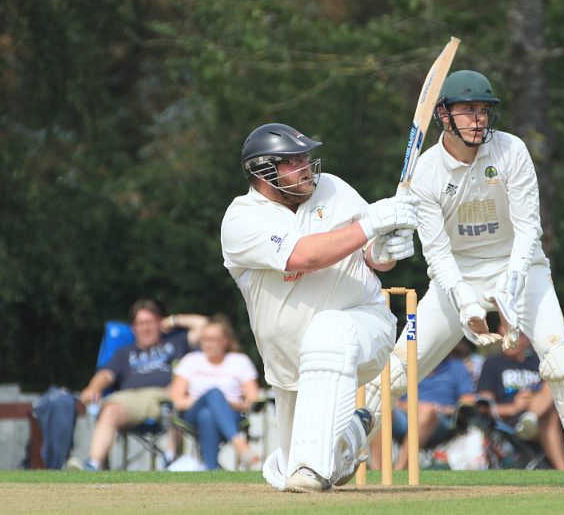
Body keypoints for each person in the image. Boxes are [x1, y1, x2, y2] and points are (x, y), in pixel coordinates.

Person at [363, 70, 564, 486]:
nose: (479, 119)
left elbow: (529, 229)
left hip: (523, 269)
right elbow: (438, 255)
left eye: (484, 110)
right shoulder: (426, 172)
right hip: (455, 278)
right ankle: (335, 451)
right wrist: (466, 302)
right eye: (468, 111)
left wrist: (509, 289)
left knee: (563, 356)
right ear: (444, 116)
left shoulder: (511, 151)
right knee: (394, 371)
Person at [220, 123, 419, 492]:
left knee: (329, 331)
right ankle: (349, 437)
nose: (305, 166)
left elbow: (370, 253)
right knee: (284, 470)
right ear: (263, 170)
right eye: (292, 161)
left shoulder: (333, 188)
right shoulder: (241, 219)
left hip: (364, 322)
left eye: (304, 158)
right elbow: (303, 256)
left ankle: (313, 467)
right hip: (288, 365)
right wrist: (375, 222)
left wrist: (384, 250)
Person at [75, 300, 207, 470]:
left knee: (175, 400)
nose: (145, 328)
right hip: (131, 400)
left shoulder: (176, 342)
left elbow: (207, 327)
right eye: (140, 323)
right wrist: (94, 388)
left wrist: (174, 320)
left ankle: (170, 458)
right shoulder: (124, 353)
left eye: (150, 322)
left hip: (166, 396)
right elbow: (105, 375)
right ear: (133, 328)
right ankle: (93, 464)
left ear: (160, 323)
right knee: (110, 410)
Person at [169, 315, 260, 470]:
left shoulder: (240, 361)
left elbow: (253, 400)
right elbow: (176, 400)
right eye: (204, 339)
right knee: (213, 393)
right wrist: (208, 398)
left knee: (207, 414)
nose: (208, 344)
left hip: (232, 414)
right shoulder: (190, 360)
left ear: (226, 341)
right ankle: (241, 447)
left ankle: (210, 469)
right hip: (192, 414)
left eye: (213, 339)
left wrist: (228, 404)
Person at [369, 350, 476, 471]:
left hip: (440, 420)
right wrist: (412, 406)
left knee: (427, 411)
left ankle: (402, 468)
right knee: (383, 408)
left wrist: (440, 409)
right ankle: (378, 470)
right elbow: (393, 396)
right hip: (405, 414)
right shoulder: (407, 366)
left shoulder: (456, 367)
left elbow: (468, 401)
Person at [477, 333, 564, 470]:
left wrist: (532, 397)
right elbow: (484, 407)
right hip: (511, 420)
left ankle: (531, 417)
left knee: (553, 382)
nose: (508, 340)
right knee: (549, 418)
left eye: (515, 336)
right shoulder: (492, 364)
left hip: (541, 414)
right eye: (504, 335)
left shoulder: (538, 363)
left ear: (526, 340)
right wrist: (515, 407)